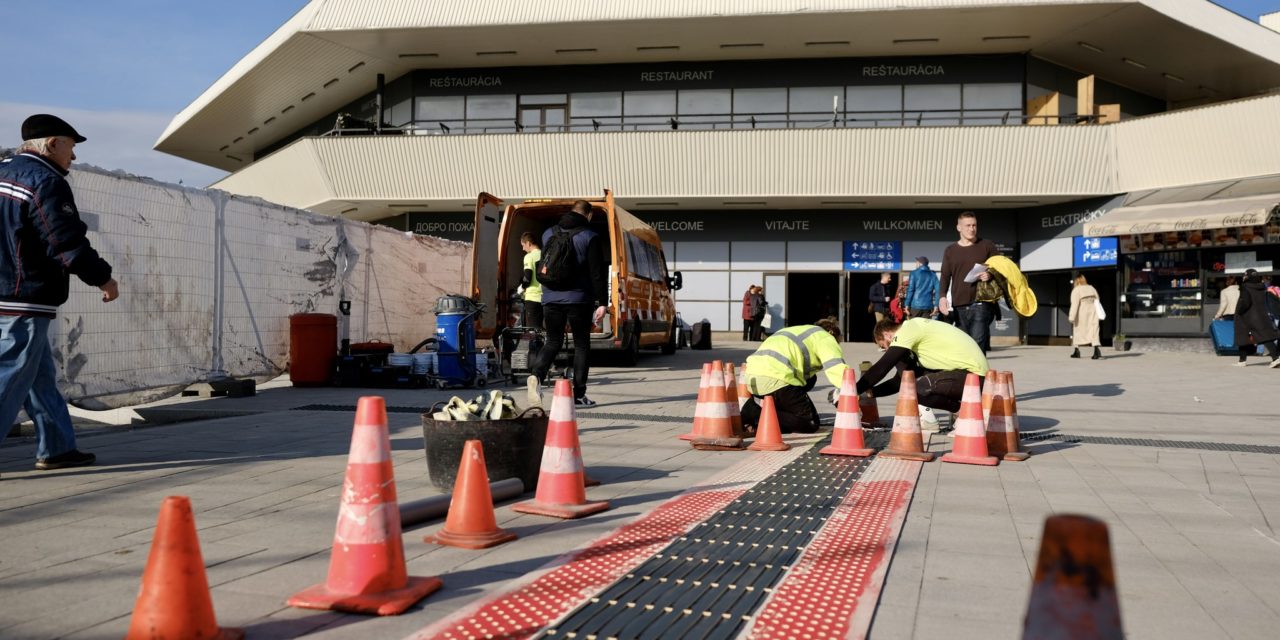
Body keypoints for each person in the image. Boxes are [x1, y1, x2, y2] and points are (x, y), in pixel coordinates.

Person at [1, 114, 119, 470]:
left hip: (6, 291)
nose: (74, 157)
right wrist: (103, 278)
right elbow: (64, 241)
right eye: (71, 146)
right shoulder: (44, 182)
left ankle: (57, 447)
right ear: (53, 144)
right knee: (10, 372)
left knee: (38, 375)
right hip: (23, 296)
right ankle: (56, 447)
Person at [527, 200, 608, 407]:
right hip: (579, 299)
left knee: (553, 341)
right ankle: (579, 395)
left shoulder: (548, 234)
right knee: (581, 345)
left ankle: (536, 374)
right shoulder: (590, 236)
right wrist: (602, 302)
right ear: (588, 215)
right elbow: (597, 272)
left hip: (550, 297)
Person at [856, 316, 989, 430]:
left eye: (883, 346)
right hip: (969, 375)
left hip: (974, 376)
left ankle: (965, 414)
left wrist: (853, 390)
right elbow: (901, 380)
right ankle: (965, 413)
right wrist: (872, 392)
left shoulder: (908, 330)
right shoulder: (915, 329)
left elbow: (883, 366)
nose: (886, 350)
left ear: (887, 335)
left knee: (916, 389)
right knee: (913, 385)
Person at [740, 318, 849, 434]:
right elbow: (836, 368)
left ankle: (774, 416)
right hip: (777, 378)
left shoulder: (798, 331)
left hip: (753, 380)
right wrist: (851, 395)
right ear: (832, 334)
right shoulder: (825, 337)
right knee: (810, 423)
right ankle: (753, 412)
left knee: (811, 379)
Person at [939, 211, 1000, 353]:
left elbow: (1000, 267)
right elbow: (945, 276)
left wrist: (989, 274)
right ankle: (966, 375)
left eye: (974, 225)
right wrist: (942, 297)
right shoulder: (950, 250)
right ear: (959, 227)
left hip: (981, 302)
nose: (971, 228)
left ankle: (978, 375)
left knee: (978, 343)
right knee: (964, 346)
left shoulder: (987, 245)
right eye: (967, 225)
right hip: (959, 304)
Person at [1232, 269, 1280, 368]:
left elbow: (1245, 302)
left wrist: (1239, 311)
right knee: (1265, 336)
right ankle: (1242, 360)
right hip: (1260, 314)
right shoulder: (1262, 287)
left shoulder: (1245, 287)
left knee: (1242, 336)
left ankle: (1276, 358)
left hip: (1247, 315)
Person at [1067, 274, 1103, 360]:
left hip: (1081, 312)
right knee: (1094, 330)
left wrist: (1071, 317)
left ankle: (1077, 351)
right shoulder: (1092, 288)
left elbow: (1074, 304)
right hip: (1093, 311)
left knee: (1078, 330)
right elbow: (1098, 299)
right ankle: (1096, 350)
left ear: (1077, 281)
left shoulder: (1076, 290)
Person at [518, 231, 543, 329]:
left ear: (528, 243)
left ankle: (534, 344)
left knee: (533, 331)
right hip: (545, 297)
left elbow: (527, 278)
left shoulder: (529, 257)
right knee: (543, 330)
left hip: (532, 298)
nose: (523, 248)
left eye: (523, 245)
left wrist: (522, 287)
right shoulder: (545, 255)